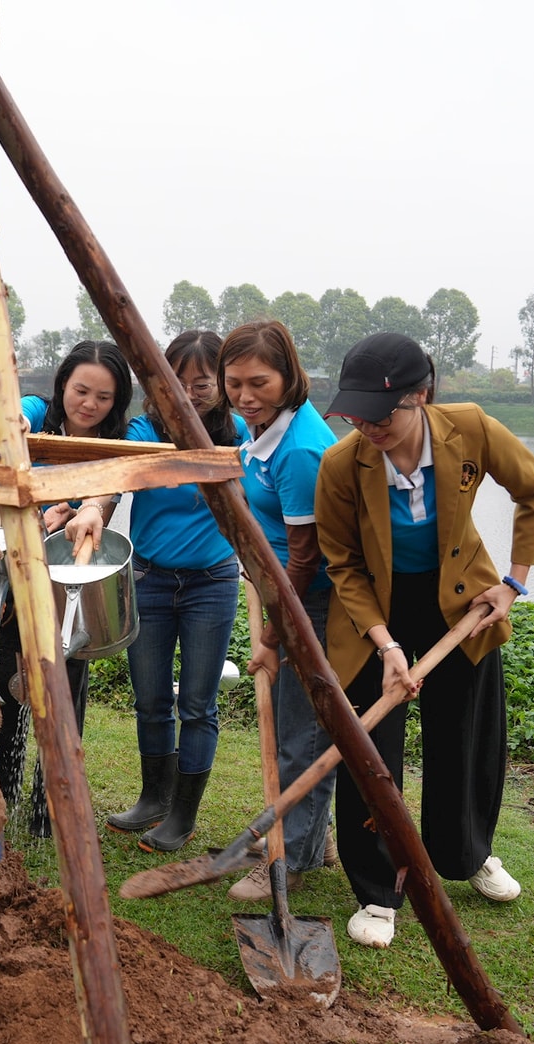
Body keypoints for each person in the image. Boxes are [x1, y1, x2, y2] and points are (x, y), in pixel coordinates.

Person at [316, 333, 534, 949]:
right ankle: (376, 889)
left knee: (465, 736)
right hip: (375, 612)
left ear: (420, 395)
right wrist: (389, 648)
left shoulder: (469, 428)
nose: (366, 425)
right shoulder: (341, 464)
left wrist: (513, 584)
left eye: (380, 412)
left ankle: (466, 854)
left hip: (462, 604)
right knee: (372, 749)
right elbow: (341, 565)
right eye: (355, 412)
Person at [105, 330, 244, 859]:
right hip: (149, 579)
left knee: (197, 704)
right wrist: (93, 506)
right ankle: (153, 797)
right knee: (151, 698)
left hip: (211, 582)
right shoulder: (145, 430)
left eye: (202, 382)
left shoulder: (238, 437)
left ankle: (183, 813)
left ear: (222, 385)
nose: (188, 392)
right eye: (176, 381)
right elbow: (115, 475)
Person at [0, 340, 131, 836]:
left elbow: (113, 478)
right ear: (62, 386)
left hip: (73, 585)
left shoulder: (122, 436)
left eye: (103, 397)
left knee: (66, 696)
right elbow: (11, 418)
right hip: (17, 576)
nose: (89, 404)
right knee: (6, 683)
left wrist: (93, 507)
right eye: (81, 390)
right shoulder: (38, 412)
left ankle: (47, 809)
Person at [229, 320, 337, 893]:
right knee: (304, 728)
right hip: (286, 592)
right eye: (235, 383)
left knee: (304, 733)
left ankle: (291, 858)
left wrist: (272, 634)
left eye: (259, 383)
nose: (245, 397)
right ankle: (311, 841)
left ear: (289, 377)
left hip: (312, 601)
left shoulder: (299, 452)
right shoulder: (264, 430)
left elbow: (306, 559)